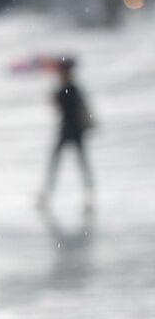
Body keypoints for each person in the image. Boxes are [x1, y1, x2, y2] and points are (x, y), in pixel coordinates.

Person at [37, 57, 96, 210]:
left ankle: (88, 195)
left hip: (74, 129)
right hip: (66, 129)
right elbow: (57, 107)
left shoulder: (71, 89)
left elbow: (81, 107)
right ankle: (47, 194)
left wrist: (89, 120)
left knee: (80, 163)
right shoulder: (64, 89)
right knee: (58, 161)